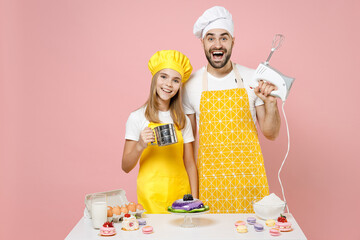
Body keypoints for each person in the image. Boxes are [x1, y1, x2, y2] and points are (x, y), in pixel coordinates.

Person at [182, 6, 281, 213]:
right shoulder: (190, 85)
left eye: (224, 38)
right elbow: (188, 149)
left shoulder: (253, 78)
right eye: (210, 38)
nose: (217, 44)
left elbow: (271, 134)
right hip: (211, 184)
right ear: (203, 42)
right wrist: (193, 195)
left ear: (233, 41)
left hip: (250, 182)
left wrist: (271, 103)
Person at [122, 50, 198, 214]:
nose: (169, 84)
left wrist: (195, 202)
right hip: (150, 195)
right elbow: (126, 166)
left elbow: (190, 164)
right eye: (163, 76)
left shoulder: (182, 120)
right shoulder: (137, 117)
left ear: (179, 86)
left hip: (181, 194)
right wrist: (140, 145)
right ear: (154, 79)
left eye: (175, 80)